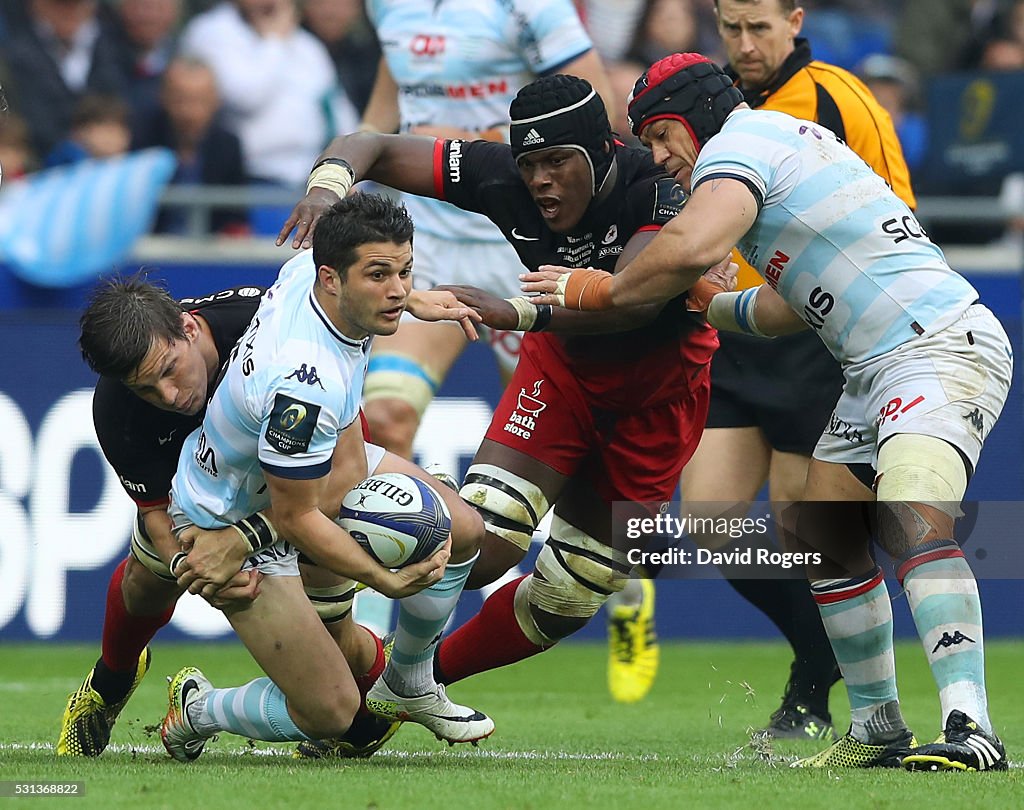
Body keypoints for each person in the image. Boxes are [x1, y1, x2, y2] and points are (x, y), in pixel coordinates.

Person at [523, 52, 1013, 771]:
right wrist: (714, 305)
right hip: (875, 364)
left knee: (911, 518)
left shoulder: (739, 147)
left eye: (661, 136)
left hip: (935, 347)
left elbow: (687, 247)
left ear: (696, 115)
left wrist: (590, 289)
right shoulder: (782, 144)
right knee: (827, 542)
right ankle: (877, 729)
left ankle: (973, 728)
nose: (658, 159)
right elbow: (792, 304)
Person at [280, 74, 727, 706]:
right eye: (529, 163)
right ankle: (347, 618)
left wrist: (514, 311)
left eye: (556, 162)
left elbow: (632, 299)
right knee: (480, 552)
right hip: (563, 375)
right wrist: (328, 191)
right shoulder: (502, 178)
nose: (540, 180)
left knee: (568, 596)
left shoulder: (653, 189)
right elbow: (370, 144)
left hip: (656, 402)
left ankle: (400, 692)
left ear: (602, 151)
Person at [662, 0, 921, 742]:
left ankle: (814, 692)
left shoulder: (838, 95)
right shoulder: (713, 108)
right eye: (731, 28)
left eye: (760, 28)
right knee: (709, 520)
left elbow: (894, 209)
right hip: (739, 331)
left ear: (795, 19)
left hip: (816, 331)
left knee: (801, 523)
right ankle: (818, 654)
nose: (745, 44)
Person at [154, 194, 492, 760]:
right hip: (227, 516)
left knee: (464, 527)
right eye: (378, 275)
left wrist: (417, 301)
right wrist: (382, 580)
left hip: (305, 469)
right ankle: (198, 708)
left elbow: (333, 481)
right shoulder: (306, 386)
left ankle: (409, 680)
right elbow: (296, 515)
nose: (396, 289)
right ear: (332, 278)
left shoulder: (301, 274)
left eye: (404, 272)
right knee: (333, 715)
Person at [65, 274, 448, 758]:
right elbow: (158, 514)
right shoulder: (117, 409)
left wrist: (408, 297)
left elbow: (337, 470)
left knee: (350, 687)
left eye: (168, 370)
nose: (168, 396)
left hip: (308, 491)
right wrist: (197, 570)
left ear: (187, 328)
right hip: (209, 514)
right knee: (147, 578)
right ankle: (111, 682)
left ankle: (398, 681)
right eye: (146, 389)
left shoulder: (260, 323)